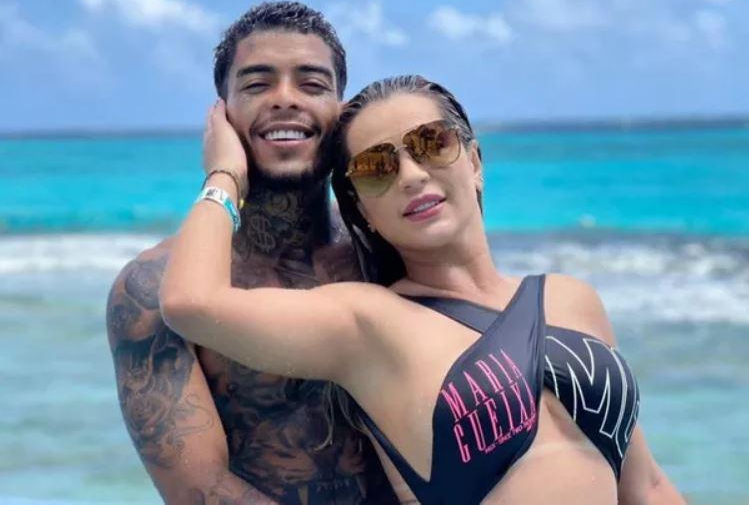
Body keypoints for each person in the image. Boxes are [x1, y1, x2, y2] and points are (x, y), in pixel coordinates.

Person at [160, 75, 687, 504]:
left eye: (432, 143)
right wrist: (225, 175)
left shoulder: (571, 299)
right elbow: (190, 303)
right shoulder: (366, 322)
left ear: (474, 162)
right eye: (376, 167)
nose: (411, 175)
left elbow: (646, 487)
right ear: (362, 208)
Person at [106, 1, 397, 505]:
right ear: (222, 114)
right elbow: (201, 489)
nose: (285, 100)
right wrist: (223, 176)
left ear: (343, 113)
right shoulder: (153, 287)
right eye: (258, 84)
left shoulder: (385, 256)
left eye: (312, 84)